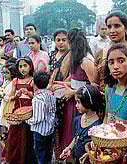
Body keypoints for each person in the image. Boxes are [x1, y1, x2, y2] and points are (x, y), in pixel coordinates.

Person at [59, 85, 103, 164]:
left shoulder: (98, 126)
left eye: (79, 102)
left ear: (88, 102)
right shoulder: (78, 119)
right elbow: (76, 137)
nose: (76, 105)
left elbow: (97, 149)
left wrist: (89, 155)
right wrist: (69, 148)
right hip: (77, 158)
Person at [6, 56, 36, 164]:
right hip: (18, 110)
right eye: (20, 66)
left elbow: (37, 96)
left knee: (28, 135)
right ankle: (15, 158)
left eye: (25, 66)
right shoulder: (15, 81)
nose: (22, 69)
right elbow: (10, 97)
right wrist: (16, 95)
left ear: (30, 66)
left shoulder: (33, 80)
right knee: (15, 135)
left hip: (29, 111)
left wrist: (28, 93)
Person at [47, 28, 71, 158]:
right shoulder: (51, 54)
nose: (61, 43)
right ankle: (56, 151)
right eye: (58, 40)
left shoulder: (71, 55)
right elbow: (49, 71)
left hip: (64, 92)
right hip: (51, 91)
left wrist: (59, 85)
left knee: (62, 122)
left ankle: (63, 150)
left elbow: (71, 76)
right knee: (52, 121)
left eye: (64, 40)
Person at [27, 71, 57, 164]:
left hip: (40, 131)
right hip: (50, 129)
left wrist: (27, 120)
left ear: (34, 83)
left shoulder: (37, 99)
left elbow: (37, 118)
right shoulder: (51, 95)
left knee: (40, 153)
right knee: (48, 152)